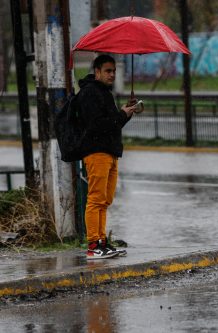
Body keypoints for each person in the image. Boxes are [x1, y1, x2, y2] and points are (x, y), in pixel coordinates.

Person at [78, 54, 137, 260]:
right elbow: (97, 125)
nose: (112, 74)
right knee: (95, 199)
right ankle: (93, 244)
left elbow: (113, 125)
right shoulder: (90, 93)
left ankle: (102, 242)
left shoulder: (104, 93)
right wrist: (120, 114)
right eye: (108, 71)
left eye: (114, 71)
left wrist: (126, 113)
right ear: (97, 72)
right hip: (97, 152)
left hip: (110, 152)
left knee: (105, 200)